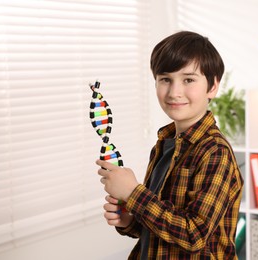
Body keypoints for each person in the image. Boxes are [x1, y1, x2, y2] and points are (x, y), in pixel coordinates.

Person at [96, 31, 244, 259]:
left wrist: (133, 192)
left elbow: (193, 235)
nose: (175, 92)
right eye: (165, 79)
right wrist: (130, 220)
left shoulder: (215, 152)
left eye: (188, 80)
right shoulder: (164, 145)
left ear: (212, 86)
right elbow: (161, 227)